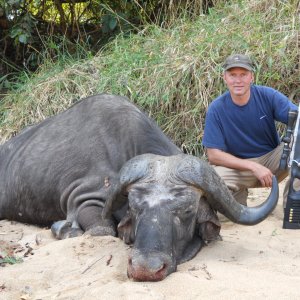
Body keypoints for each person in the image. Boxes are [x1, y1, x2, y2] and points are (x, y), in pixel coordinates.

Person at [202, 54, 298, 206]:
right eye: (233, 75)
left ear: (251, 77)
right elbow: (213, 155)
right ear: (225, 77)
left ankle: (293, 203)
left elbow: (297, 120)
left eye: (243, 74)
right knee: (210, 180)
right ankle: (237, 202)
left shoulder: (268, 95)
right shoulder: (216, 109)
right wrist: (253, 167)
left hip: (272, 163)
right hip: (238, 169)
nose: (238, 80)